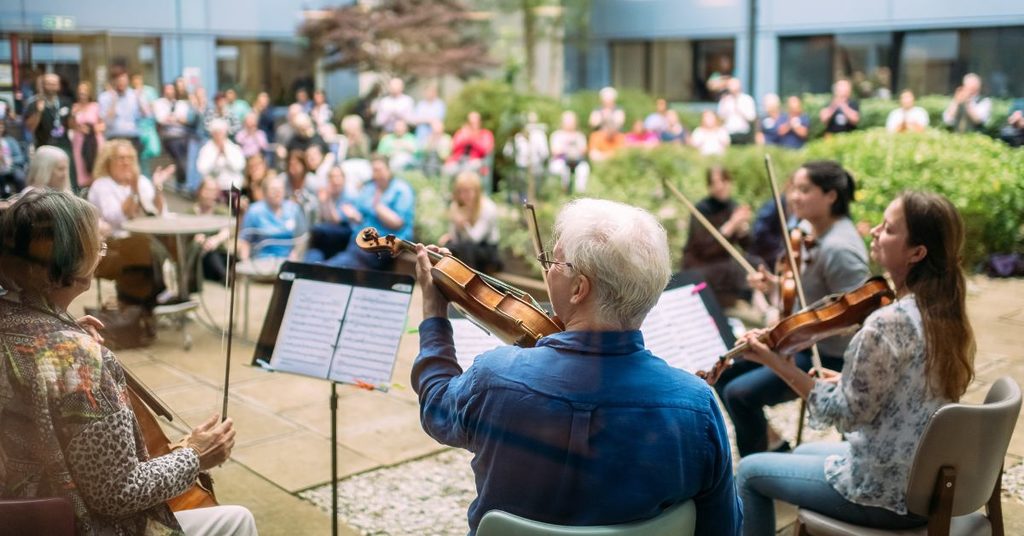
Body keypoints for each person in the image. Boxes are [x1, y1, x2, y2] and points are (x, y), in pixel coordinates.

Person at [411, 198, 742, 535]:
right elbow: (723, 527)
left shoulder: (495, 377)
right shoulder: (696, 407)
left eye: (553, 260)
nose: (547, 267)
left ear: (579, 289)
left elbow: (436, 407)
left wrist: (434, 317)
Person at [0, 190, 257, 535]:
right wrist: (195, 455)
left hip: (15, 513)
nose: (101, 253)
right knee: (237, 520)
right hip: (65, 524)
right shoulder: (76, 358)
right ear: (72, 267)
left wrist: (64, 328)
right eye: (96, 247)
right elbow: (117, 493)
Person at [736, 191, 975, 535]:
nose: (875, 231)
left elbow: (845, 418)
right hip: (924, 481)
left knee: (749, 473)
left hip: (884, 494)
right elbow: (911, 388)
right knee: (802, 450)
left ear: (917, 253)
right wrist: (845, 381)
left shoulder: (885, 322)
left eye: (889, 229)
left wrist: (777, 363)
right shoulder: (944, 313)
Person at [719, 160, 870, 457]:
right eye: (793, 189)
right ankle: (774, 444)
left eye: (805, 190)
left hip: (827, 357)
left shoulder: (840, 248)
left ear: (831, 196)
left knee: (739, 394)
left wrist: (796, 330)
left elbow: (859, 316)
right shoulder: (810, 233)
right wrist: (775, 285)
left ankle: (758, 474)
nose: (794, 197)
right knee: (725, 369)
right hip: (800, 342)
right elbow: (811, 297)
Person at [325, 154, 414, 270]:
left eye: (379, 170)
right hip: (360, 241)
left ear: (388, 170)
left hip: (384, 245)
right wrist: (354, 216)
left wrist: (378, 207)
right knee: (323, 234)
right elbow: (359, 215)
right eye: (374, 170)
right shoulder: (369, 188)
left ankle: (327, 269)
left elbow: (397, 223)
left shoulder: (401, 190)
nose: (376, 174)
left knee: (342, 264)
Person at [682, 166, 753, 308]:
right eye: (714, 182)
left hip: (722, 263)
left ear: (729, 182)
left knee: (755, 262)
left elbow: (748, 246)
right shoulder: (702, 209)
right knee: (734, 269)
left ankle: (762, 307)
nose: (720, 186)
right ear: (709, 186)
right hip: (701, 264)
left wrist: (742, 230)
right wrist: (731, 226)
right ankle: (755, 307)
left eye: (723, 181)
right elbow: (704, 249)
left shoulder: (733, 207)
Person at [88, 139, 173, 234]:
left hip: (144, 236)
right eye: (121, 158)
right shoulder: (101, 185)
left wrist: (157, 187)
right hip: (117, 239)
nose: (126, 162)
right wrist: (134, 191)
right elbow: (115, 219)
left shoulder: (142, 181)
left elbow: (158, 212)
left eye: (130, 158)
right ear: (108, 162)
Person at [439, 171, 501, 273]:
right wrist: (450, 235)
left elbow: (475, 239)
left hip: (487, 249)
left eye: (467, 191)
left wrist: (464, 225)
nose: (464, 195)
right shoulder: (456, 206)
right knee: (448, 247)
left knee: (467, 248)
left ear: (477, 191)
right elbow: (455, 238)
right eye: (460, 191)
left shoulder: (488, 207)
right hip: (466, 246)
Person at [239, 175, 307, 261]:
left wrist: (296, 254)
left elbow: (302, 238)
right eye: (273, 189)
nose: (277, 192)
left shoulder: (294, 209)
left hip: (287, 260)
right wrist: (245, 262)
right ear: (265, 192)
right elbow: (245, 241)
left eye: (280, 189)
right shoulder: (254, 211)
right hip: (261, 261)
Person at [304, 166, 354, 263]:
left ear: (343, 179)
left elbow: (336, 220)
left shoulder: (349, 195)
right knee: (311, 259)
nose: (335, 181)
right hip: (325, 240)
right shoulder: (324, 194)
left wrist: (328, 200)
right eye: (332, 177)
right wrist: (323, 201)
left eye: (338, 177)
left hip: (342, 241)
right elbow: (322, 218)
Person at [190, 177, 231, 285]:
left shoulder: (222, 211)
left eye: (213, 191)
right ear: (200, 191)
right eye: (207, 190)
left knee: (216, 252)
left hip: (220, 252)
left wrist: (216, 240)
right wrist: (198, 238)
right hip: (200, 256)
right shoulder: (190, 212)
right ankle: (225, 277)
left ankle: (225, 275)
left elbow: (227, 230)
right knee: (209, 252)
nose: (210, 194)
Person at [99, 67, 148, 156]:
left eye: (124, 80)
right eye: (119, 80)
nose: (122, 83)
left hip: (132, 138)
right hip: (114, 138)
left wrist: (139, 99)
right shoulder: (105, 97)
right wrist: (113, 101)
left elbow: (146, 116)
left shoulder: (134, 95)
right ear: (113, 81)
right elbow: (107, 121)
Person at [153, 82, 192, 189]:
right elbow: (161, 120)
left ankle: (182, 182)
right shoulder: (159, 103)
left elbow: (185, 120)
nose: (169, 91)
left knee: (185, 159)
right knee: (180, 158)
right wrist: (176, 119)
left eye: (171, 89)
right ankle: (182, 183)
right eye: (167, 89)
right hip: (169, 136)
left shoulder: (182, 104)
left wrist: (173, 119)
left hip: (184, 135)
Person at [69, 81, 106, 188]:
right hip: (79, 142)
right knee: (81, 169)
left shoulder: (95, 106)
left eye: (84, 91)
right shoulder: (75, 107)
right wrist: (78, 126)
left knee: (96, 167)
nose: (82, 93)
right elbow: (71, 125)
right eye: (80, 91)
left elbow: (103, 125)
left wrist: (93, 129)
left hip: (94, 141)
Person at [196, 119, 246, 194]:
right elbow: (202, 169)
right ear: (212, 134)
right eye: (216, 133)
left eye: (221, 132)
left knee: (235, 201)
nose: (219, 135)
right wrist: (216, 156)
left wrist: (226, 154)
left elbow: (239, 166)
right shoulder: (206, 149)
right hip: (213, 188)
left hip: (233, 187)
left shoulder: (234, 148)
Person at [444, 111, 495, 179]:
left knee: (469, 168)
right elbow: (453, 148)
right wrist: (464, 138)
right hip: (459, 161)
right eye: (470, 123)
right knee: (447, 169)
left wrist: (472, 139)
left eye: (475, 122)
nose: (473, 125)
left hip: (476, 161)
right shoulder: (461, 133)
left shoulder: (486, 134)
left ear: (480, 122)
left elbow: (485, 150)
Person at [549, 111, 590, 194]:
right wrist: (567, 147)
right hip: (560, 161)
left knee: (584, 168)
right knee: (564, 170)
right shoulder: (556, 135)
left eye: (572, 121)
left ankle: (580, 194)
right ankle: (564, 193)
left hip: (578, 162)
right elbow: (554, 151)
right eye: (568, 121)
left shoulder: (580, 135)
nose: (570, 124)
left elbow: (585, 150)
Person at [717, 78, 757, 144]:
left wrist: (740, 109)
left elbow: (752, 118)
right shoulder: (724, 100)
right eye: (730, 85)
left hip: (743, 132)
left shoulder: (747, 99)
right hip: (727, 132)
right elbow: (720, 118)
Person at [0, 120, 26, 197]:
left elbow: (20, 158)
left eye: (1, 127)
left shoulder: (10, 141)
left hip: (12, 168)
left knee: (20, 177)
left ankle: (21, 198)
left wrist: (10, 161)